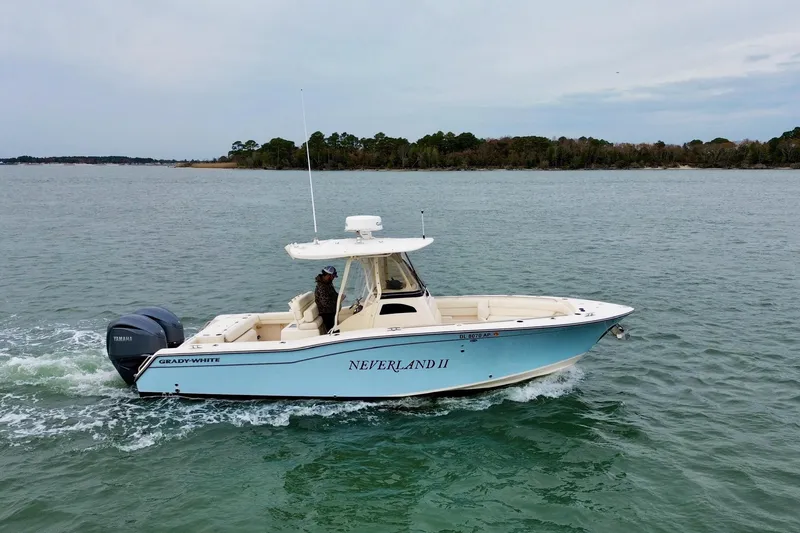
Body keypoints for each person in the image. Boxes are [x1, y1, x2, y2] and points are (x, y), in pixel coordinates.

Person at [315, 265, 342, 332]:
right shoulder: (322, 287)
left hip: (331, 311)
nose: (333, 278)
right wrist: (337, 301)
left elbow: (333, 294)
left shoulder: (328, 283)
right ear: (328, 275)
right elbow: (326, 303)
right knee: (334, 331)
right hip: (326, 313)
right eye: (333, 276)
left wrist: (339, 297)